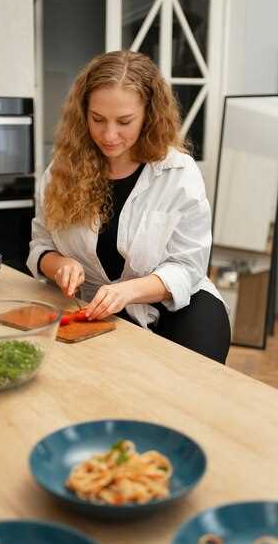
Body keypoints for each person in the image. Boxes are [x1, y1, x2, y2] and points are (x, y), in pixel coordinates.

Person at [27, 50, 231, 364]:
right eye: (97, 119)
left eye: (124, 121)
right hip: (94, 306)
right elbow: (41, 245)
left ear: (149, 115)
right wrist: (59, 265)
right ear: (83, 113)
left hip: (180, 305)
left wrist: (129, 291)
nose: (109, 135)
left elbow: (188, 267)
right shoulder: (60, 172)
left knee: (188, 389)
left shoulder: (179, 173)